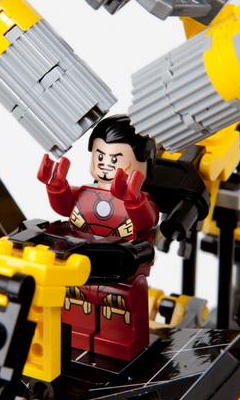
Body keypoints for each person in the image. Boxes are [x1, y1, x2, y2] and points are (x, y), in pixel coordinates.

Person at [37, 115, 158, 360]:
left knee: (121, 304)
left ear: (143, 163)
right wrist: (56, 186)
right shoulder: (84, 193)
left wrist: (133, 199)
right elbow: (65, 206)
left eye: (115, 159)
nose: (105, 164)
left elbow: (146, 221)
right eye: (100, 156)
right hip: (78, 265)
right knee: (72, 299)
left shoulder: (140, 203)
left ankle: (123, 343)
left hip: (121, 272)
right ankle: (74, 336)